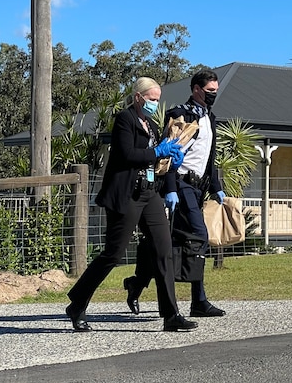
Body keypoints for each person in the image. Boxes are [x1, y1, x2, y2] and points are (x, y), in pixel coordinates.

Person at [65, 77, 197, 333]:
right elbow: (126, 155)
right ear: (138, 97)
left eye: (158, 100)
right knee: (113, 254)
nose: (155, 104)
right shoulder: (125, 120)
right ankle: (77, 303)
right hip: (126, 194)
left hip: (149, 194)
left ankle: (171, 315)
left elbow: (156, 160)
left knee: (163, 250)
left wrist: (171, 162)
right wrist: (157, 152)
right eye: (152, 99)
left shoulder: (153, 125)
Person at [124, 69, 227, 318]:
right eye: (210, 91)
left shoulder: (209, 118)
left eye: (216, 90)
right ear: (196, 89)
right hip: (180, 184)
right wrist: (170, 188)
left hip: (198, 187)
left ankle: (137, 283)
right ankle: (198, 300)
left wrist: (216, 186)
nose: (214, 95)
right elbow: (169, 155)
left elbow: (208, 157)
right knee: (198, 236)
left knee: (172, 242)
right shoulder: (181, 115)